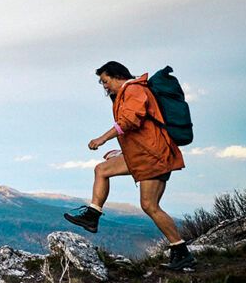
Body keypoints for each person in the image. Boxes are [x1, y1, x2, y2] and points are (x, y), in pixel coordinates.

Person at [63, 61, 196, 271]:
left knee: (150, 205)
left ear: (117, 76)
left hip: (154, 157)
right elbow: (141, 133)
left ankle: (181, 251)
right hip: (142, 154)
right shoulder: (127, 93)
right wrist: (121, 152)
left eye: (105, 81)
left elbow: (129, 122)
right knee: (102, 170)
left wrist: (102, 139)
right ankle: (92, 216)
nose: (104, 86)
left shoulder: (134, 90)